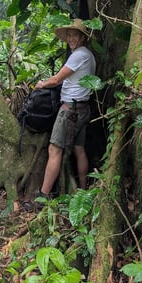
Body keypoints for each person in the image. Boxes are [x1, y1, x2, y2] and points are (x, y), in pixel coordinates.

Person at [35, 18, 96, 197]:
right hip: (83, 109)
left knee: (54, 149)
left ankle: (43, 194)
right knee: (79, 149)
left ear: (83, 37)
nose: (71, 39)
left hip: (70, 110)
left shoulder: (79, 55)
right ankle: (83, 189)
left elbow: (56, 80)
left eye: (75, 35)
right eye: (69, 35)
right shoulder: (89, 55)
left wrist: (41, 84)